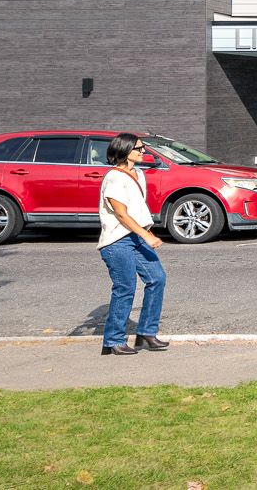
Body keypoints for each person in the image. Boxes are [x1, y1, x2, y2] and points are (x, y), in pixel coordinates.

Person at [97, 132, 168, 355]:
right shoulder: (114, 178)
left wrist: (147, 231)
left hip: (136, 236)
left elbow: (137, 209)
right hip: (117, 241)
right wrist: (146, 236)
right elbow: (121, 214)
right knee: (125, 288)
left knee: (157, 278)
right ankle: (114, 340)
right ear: (125, 151)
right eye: (139, 148)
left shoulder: (138, 174)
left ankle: (146, 333)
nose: (143, 151)